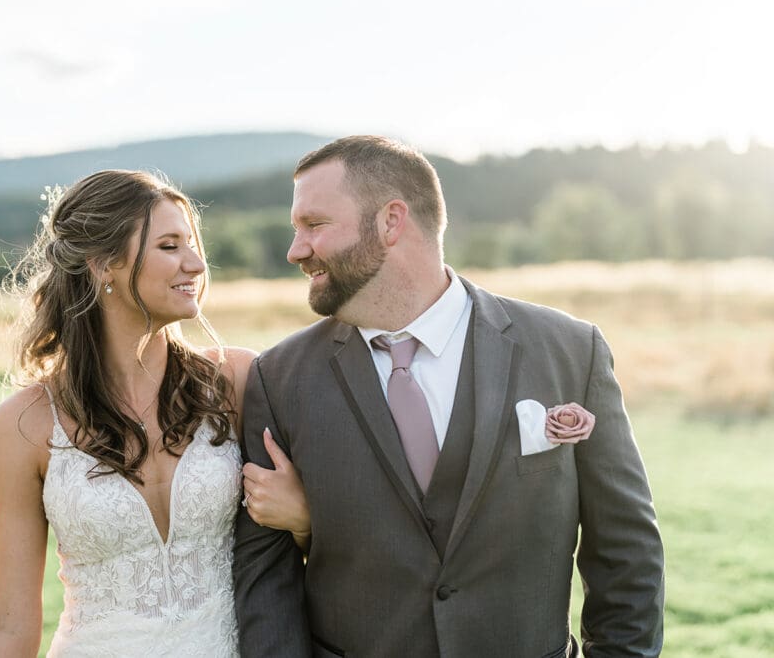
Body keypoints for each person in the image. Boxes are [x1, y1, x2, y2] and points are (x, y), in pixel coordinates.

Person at [233, 136, 664, 657]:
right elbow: (265, 579)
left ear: (391, 221)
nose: (295, 250)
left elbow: (627, 552)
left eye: (314, 225)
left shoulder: (570, 350)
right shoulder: (278, 378)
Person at [0, 170, 311, 657]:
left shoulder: (235, 381)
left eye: (193, 244)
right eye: (170, 246)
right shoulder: (24, 425)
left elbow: (327, 551)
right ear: (103, 263)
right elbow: (10, 619)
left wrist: (303, 520)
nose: (196, 264)